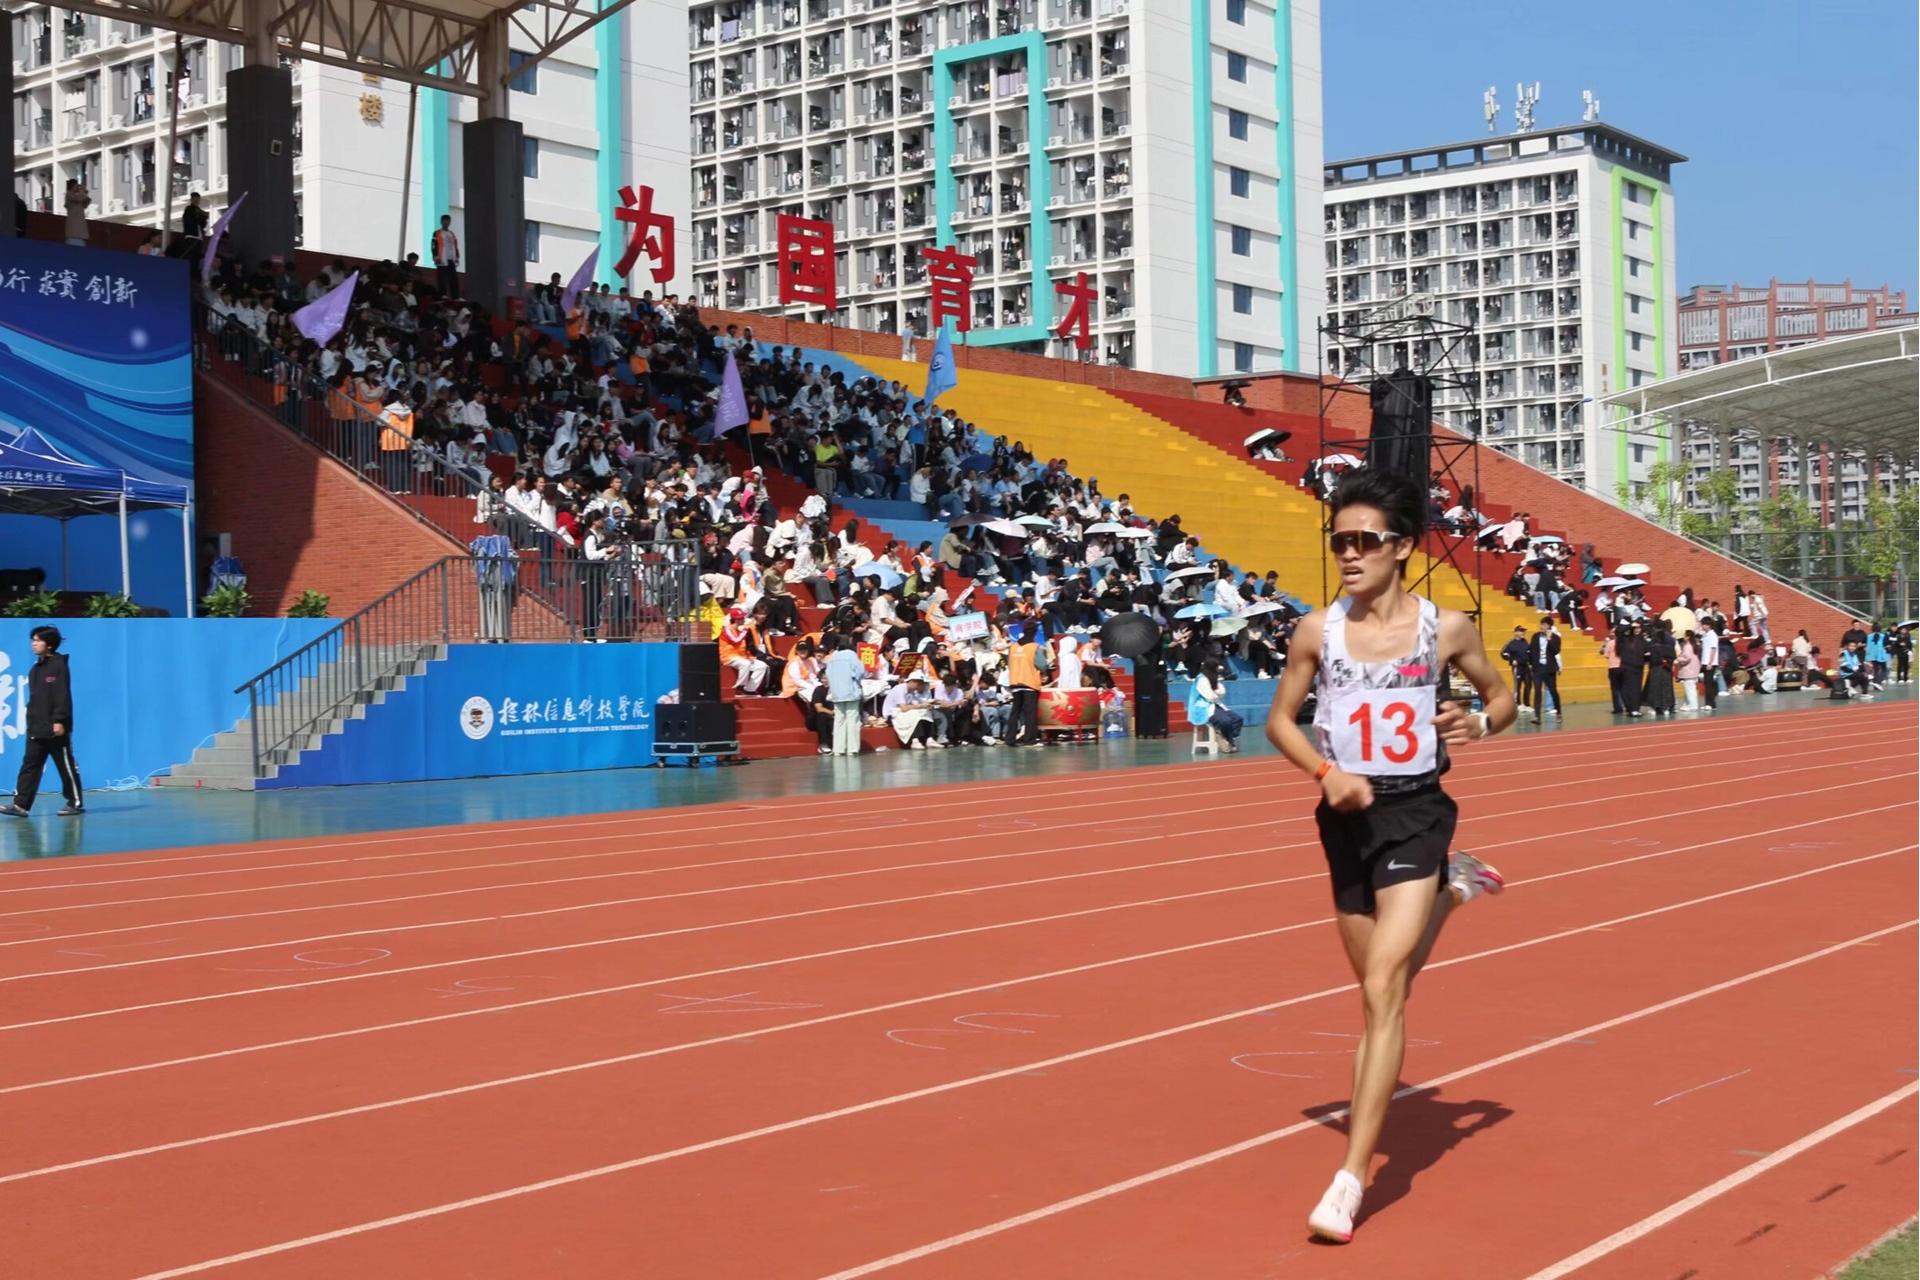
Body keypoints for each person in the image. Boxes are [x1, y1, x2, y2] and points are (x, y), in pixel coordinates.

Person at [1264, 468, 1516, 1246]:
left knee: (1382, 990)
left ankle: (1350, 1180)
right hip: (1346, 821)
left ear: (1401, 547)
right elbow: (1280, 722)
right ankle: (1455, 888)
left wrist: (1481, 722)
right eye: (1338, 541)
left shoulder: (1447, 629)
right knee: (1385, 987)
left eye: (1363, 541)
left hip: (1416, 814)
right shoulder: (1316, 632)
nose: (1348, 554)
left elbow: (1501, 695)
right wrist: (1325, 772)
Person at [3, 626, 84, 818]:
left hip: (55, 728)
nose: (34, 644)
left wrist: (59, 720)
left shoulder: (59, 666)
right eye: (33, 640)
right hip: (36, 727)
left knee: (65, 765)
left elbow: (61, 695)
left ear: (49, 645)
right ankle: (20, 805)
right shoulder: (35, 669)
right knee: (30, 766)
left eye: (38, 640)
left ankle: (75, 802)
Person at [823, 635, 866, 756]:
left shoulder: (833, 657)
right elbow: (860, 672)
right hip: (850, 691)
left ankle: (838, 749)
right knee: (852, 719)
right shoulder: (852, 655)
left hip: (837, 693)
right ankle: (852, 749)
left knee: (839, 720)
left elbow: (828, 674)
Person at [1189, 658, 1242, 752]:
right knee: (1225, 721)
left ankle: (1226, 738)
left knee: (1237, 719)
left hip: (1216, 705)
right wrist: (1216, 692)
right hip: (1204, 707)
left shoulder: (1213, 678)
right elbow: (1210, 697)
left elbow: (1222, 692)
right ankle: (1229, 741)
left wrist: (1215, 692)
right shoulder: (1201, 679)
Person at [1529, 616, 1561, 720]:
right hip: (1538, 668)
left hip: (1549, 668)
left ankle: (1558, 712)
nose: (1542, 626)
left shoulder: (1556, 638)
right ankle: (1537, 716)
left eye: (1544, 625)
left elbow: (1556, 651)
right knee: (1537, 691)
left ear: (1549, 626)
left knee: (1553, 690)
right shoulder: (1535, 636)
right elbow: (1531, 650)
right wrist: (1531, 664)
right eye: (1541, 624)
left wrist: (1549, 639)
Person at [431, 214, 461, 298]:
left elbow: (455, 246)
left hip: (451, 259)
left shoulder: (452, 234)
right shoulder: (437, 233)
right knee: (442, 278)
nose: (446, 222)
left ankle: (455, 296)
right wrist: (436, 256)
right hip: (442, 259)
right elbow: (433, 245)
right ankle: (442, 295)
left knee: (453, 278)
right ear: (441, 222)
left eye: (448, 221)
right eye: (444, 220)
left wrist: (457, 257)